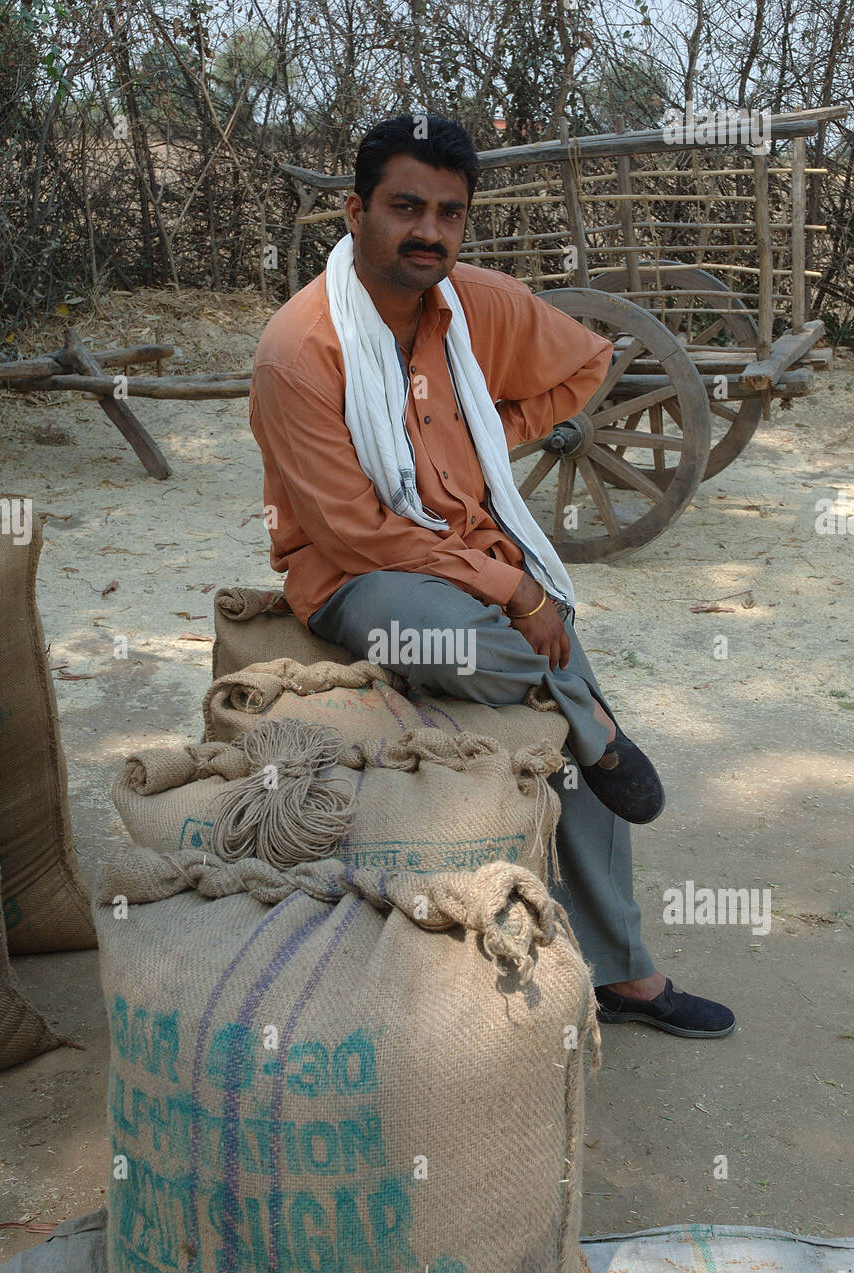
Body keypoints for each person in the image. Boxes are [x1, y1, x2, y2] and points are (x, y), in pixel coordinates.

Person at [250, 113, 734, 1040]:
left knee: (572, 733)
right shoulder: (299, 349)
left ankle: (622, 974)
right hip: (358, 578)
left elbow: (586, 361)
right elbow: (355, 531)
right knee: (488, 645)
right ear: (355, 212)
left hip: (475, 549)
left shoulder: (472, 305)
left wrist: (482, 438)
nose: (428, 230)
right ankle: (583, 711)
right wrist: (514, 590)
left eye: (449, 213)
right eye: (404, 207)